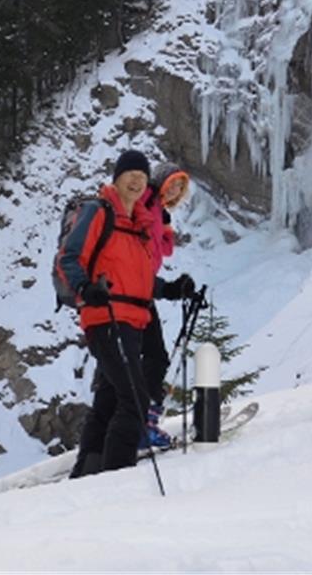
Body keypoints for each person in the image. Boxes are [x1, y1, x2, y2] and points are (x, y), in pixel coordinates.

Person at [60, 150, 192, 477]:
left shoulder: (141, 226)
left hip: (132, 320)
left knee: (109, 400)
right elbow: (70, 258)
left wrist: (170, 290)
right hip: (106, 317)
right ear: (117, 178)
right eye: (129, 174)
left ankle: (86, 475)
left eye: (142, 175)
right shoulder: (98, 211)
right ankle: (114, 481)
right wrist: (85, 288)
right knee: (133, 401)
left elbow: (140, 279)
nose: (136, 180)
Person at [140, 162, 194, 447]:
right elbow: (140, 259)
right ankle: (143, 424)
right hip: (134, 292)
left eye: (180, 187)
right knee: (154, 358)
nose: (175, 189)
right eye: (172, 183)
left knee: (151, 358)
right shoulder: (148, 206)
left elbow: (151, 258)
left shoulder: (157, 211)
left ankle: (140, 421)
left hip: (141, 291)